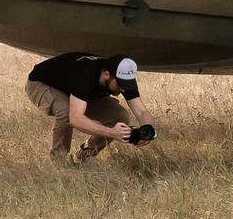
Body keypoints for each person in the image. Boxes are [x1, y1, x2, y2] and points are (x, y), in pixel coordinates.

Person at [25, 52, 156, 161]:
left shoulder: (122, 79)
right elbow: (76, 119)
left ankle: (81, 158)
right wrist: (112, 132)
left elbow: (141, 111)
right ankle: (59, 163)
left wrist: (147, 129)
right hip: (41, 84)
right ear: (106, 75)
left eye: (127, 84)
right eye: (120, 84)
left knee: (119, 116)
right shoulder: (85, 75)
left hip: (77, 92)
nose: (123, 89)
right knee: (66, 110)